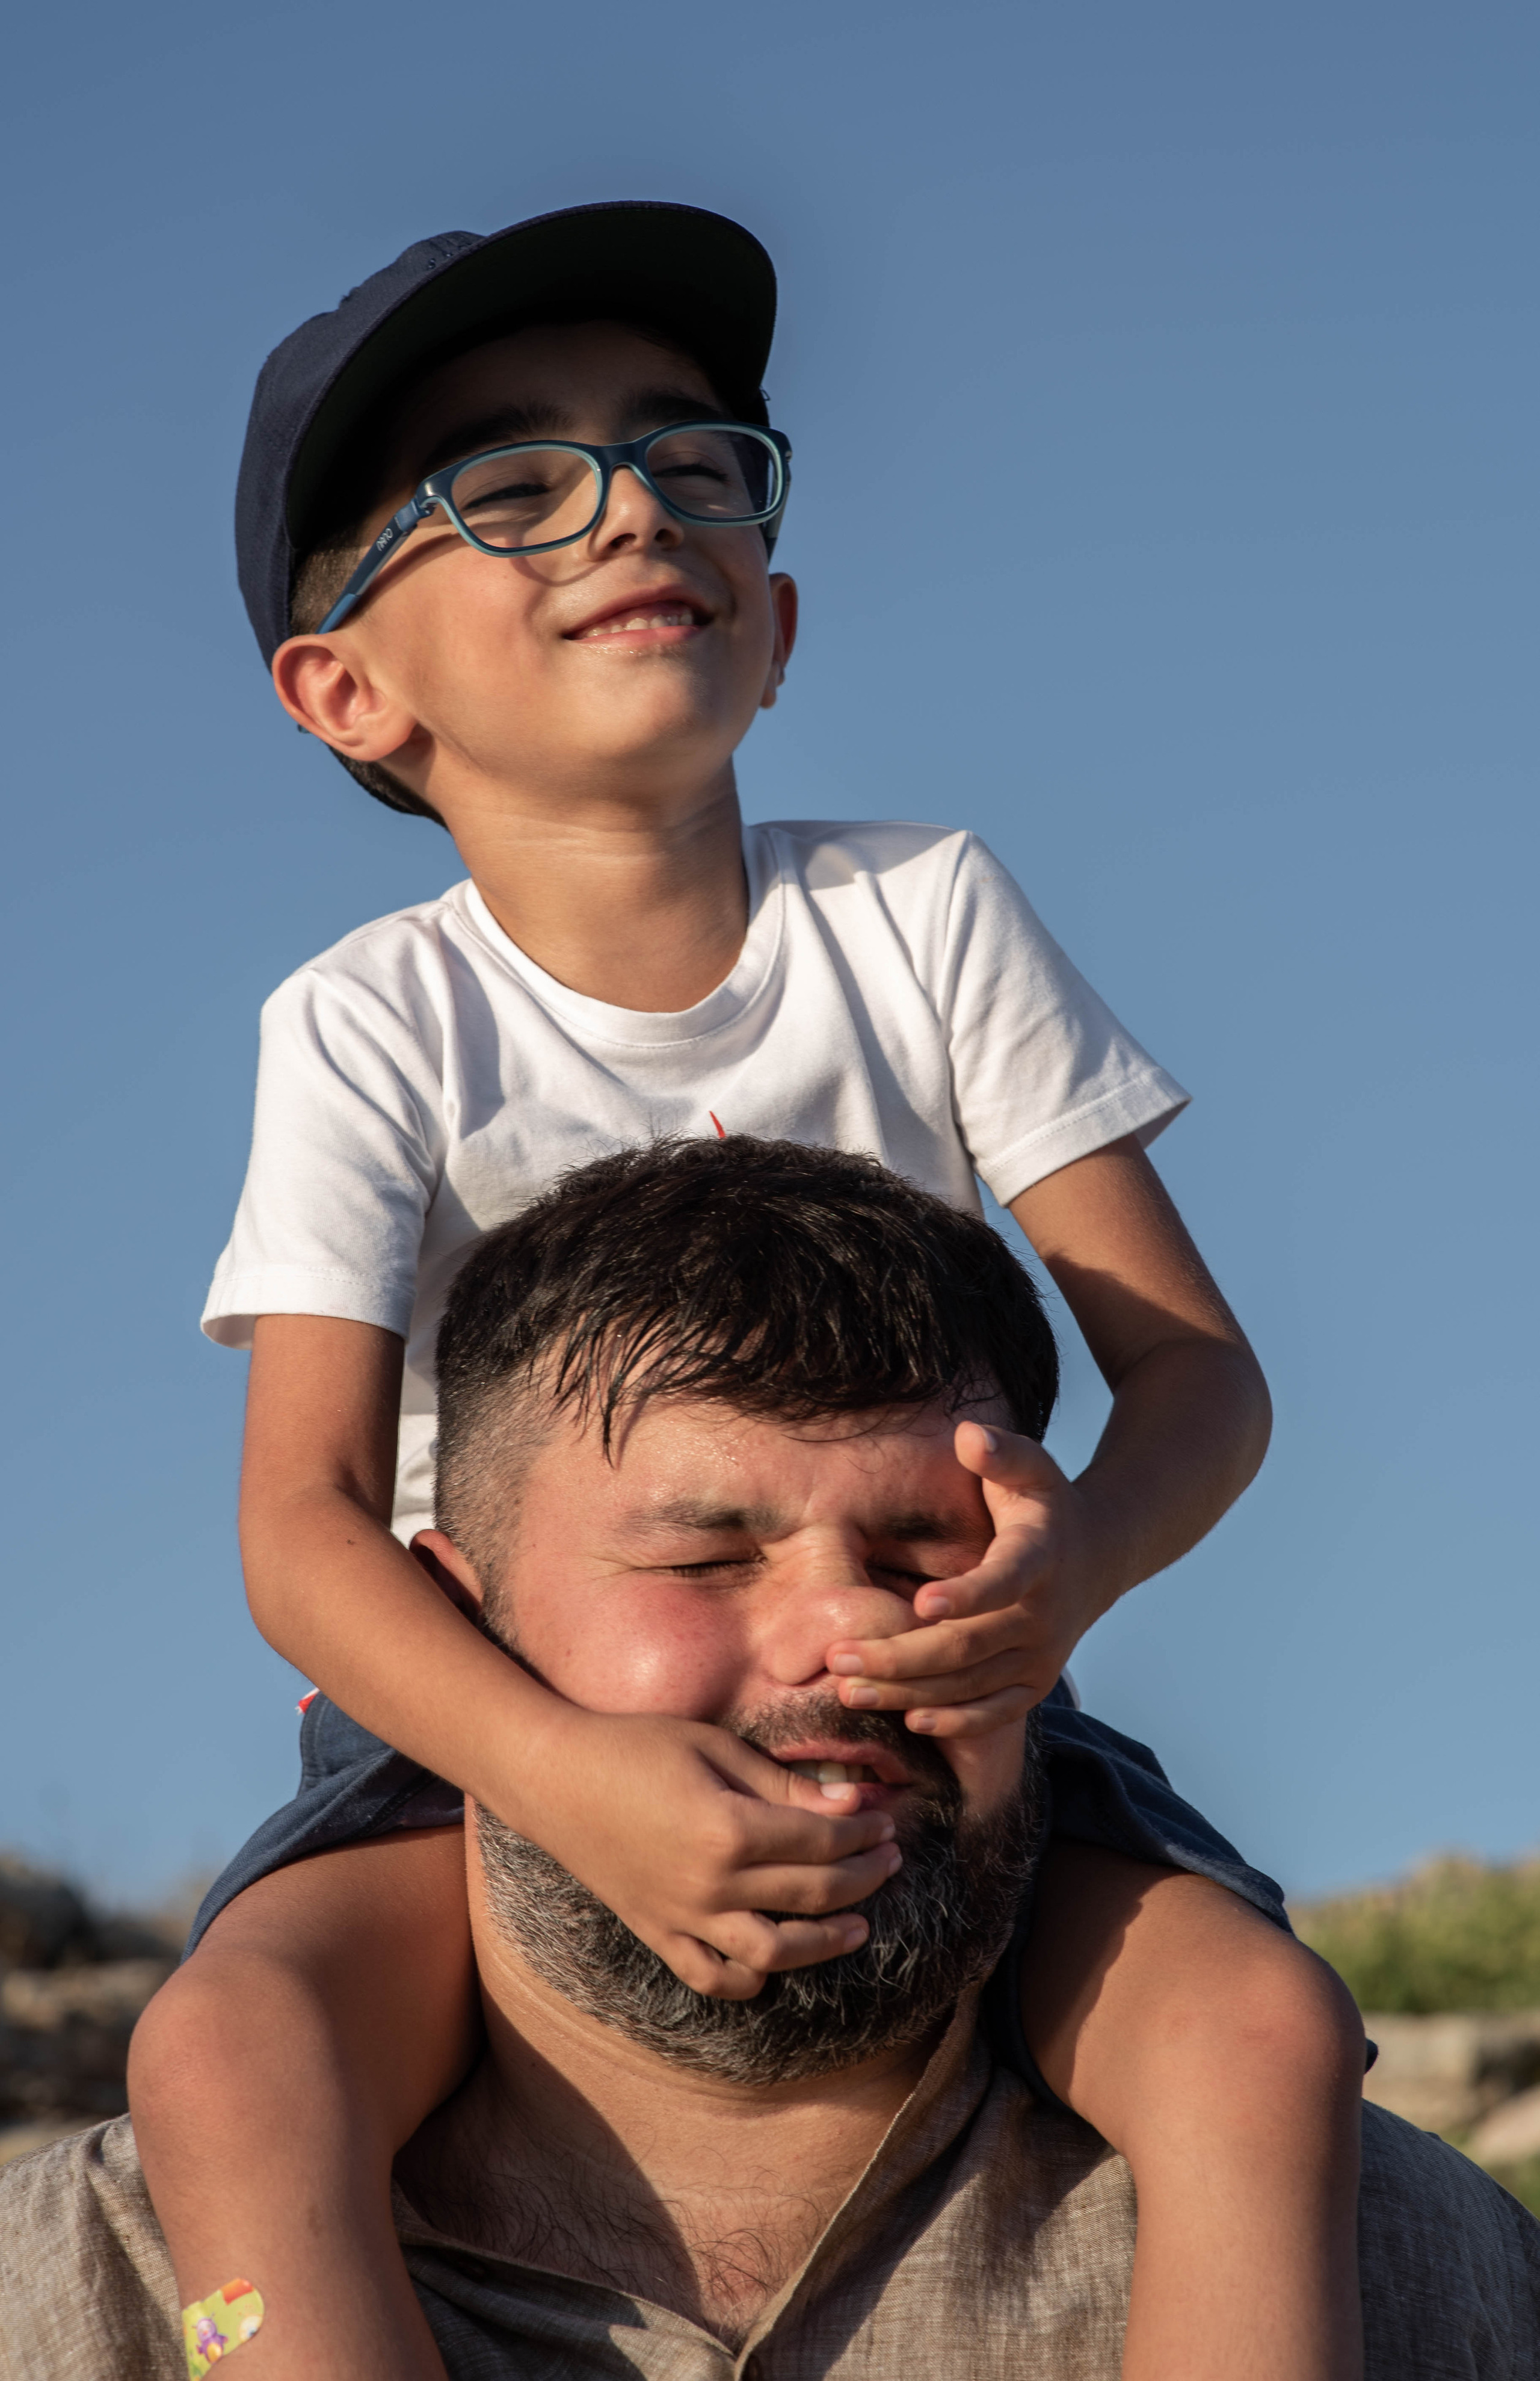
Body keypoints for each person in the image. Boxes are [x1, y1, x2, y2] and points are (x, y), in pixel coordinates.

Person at [128, 203, 1364, 2379]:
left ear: (775, 621)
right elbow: (304, 1525)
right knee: (228, 2056)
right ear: (346, 685)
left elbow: (1196, 1377)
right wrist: (561, 1769)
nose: (632, 506)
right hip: (478, 1722)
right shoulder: (365, 1022)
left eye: (696, 462)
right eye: (510, 486)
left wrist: (1057, 1584)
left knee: (1265, 2027)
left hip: (944, 1688)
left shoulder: (928, 909)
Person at [12, 1140, 1540, 2380]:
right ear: (451, 1638)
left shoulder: (1415, 2278)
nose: (845, 1634)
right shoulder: (84, 2306)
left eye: (921, 1548)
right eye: (706, 1556)